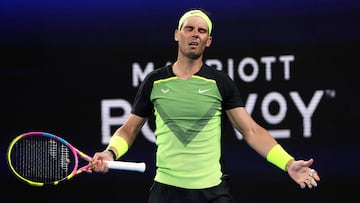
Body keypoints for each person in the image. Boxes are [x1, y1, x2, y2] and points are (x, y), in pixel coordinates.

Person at [90, 8, 320, 203]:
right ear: (177, 35)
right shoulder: (155, 81)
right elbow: (130, 129)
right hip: (166, 191)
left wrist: (288, 163)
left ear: (208, 41)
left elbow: (251, 131)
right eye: (189, 28)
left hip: (213, 192)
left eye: (202, 31)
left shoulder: (219, 82)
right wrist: (111, 153)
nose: (195, 35)